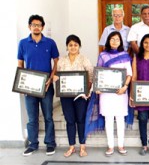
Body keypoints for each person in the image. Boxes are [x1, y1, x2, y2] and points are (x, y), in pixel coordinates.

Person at [17, 15, 58, 156]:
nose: (36, 27)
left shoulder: (50, 43)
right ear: (29, 26)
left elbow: (56, 62)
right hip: (29, 86)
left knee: (48, 116)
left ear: (43, 27)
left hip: (46, 85)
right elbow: (20, 64)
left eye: (39, 25)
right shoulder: (23, 43)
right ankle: (33, 144)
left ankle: (50, 144)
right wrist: (20, 85)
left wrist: (51, 78)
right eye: (33, 24)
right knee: (32, 117)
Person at [55, 35, 93, 157]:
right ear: (67, 46)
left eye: (75, 45)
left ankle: (82, 146)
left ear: (79, 46)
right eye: (70, 45)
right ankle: (72, 146)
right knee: (70, 120)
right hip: (66, 96)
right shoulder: (61, 60)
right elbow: (57, 75)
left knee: (81, 120)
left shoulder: (84, 59)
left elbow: (91, 76)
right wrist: (56, 78)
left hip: (80, 96)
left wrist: (87, 91)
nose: (73, 47)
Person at [96, 31, 132, 156]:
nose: (115, 41)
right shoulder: (103, 55)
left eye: (117, 39)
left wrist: (125, 87)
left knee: (120, 119)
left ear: (121, 42)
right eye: (112, 39)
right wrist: (99, 87)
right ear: (108, 40)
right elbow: (98, 73)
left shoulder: (125, 55)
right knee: (109, 119)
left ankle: (121, 145)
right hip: (106, 94)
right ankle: (110, 146)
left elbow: (129, 74)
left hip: (120, 92)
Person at [127, 5, 149, 119]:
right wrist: (142, 55)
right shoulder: (135, 27)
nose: (147, 15)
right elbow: (133, 43)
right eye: (144, 13)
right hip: (140, 59)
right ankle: (141, 108)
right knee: (140, 81)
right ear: (141, 15)